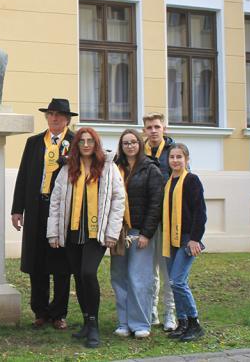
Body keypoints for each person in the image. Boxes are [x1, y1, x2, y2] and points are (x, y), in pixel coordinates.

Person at [47, 127, 125, 348]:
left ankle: (94, 326)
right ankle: (86, 322)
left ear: (96, 143)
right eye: (82, 141)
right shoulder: (68, 168)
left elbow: (119, 201)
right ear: (77, 145)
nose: (86, 145)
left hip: (96, 233)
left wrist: (112, 233)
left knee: (88, 273)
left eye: (91, 141)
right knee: (79, 277)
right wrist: (53, 232)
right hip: (73, 231)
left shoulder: (108, 168)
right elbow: (56, 201)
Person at [11, 98, 77, 330]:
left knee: (60, 261)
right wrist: (17, 208)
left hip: (62, 210)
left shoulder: (77, 142)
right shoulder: (34, 142)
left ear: (67, 119)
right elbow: (23, 176)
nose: (54, 118)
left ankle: (59, 312)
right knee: (37, 260)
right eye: (50, 114)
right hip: (37, 206)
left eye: (59, 114)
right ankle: (40, 311)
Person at [110, 129, 164, 339]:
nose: (130, 146)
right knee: (119, 277)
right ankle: (123, 322)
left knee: (139, 278)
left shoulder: (151, 169)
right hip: (119, 231)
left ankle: (141, 323)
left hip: (140, 232)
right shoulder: (115, 167)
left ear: (140, 145)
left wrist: (146, 234)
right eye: (125, 143)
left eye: (133, 142)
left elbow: (156, 204)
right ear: (121, 146)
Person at [163, 143, 207, 342]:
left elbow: (200, 212)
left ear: (186, 159)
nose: (175, 160)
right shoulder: (169, 181)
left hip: (187, 239)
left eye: (179, 157)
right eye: (172, 157)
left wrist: (195, 239)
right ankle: (182, 324)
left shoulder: (191, 180)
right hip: (170, 238)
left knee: (177, 281)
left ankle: (194, 323)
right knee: (174, 283)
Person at [142, 112, 177, 331]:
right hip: (146, 222)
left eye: (157, 126)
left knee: (168, 271)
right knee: (148, 271)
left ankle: (170, 314)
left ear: (164, 128)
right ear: (144, 131)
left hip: (168, 221)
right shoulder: (138, 151)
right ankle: (151, 311)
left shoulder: (173, 152)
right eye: (149, 127)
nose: (153, 131)